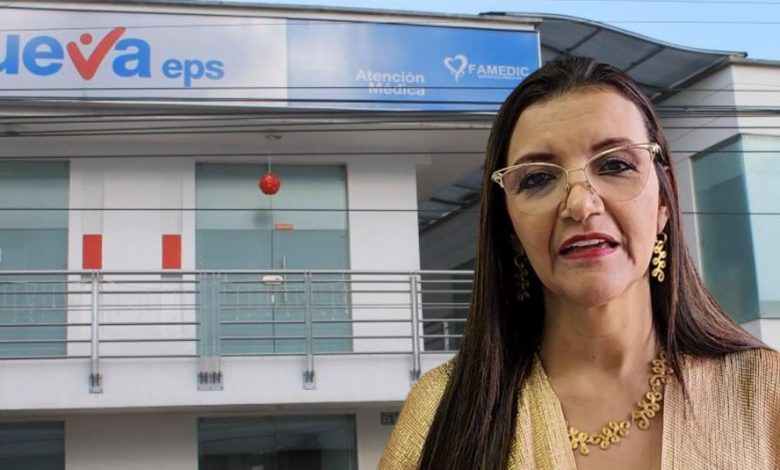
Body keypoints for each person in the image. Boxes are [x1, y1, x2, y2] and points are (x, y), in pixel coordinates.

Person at [379, 56, 780, 470]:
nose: (580, 204)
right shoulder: (440, 414)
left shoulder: (765, 393)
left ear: (663, 202)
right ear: (510, 228)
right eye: (537, 178)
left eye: (615, 165)